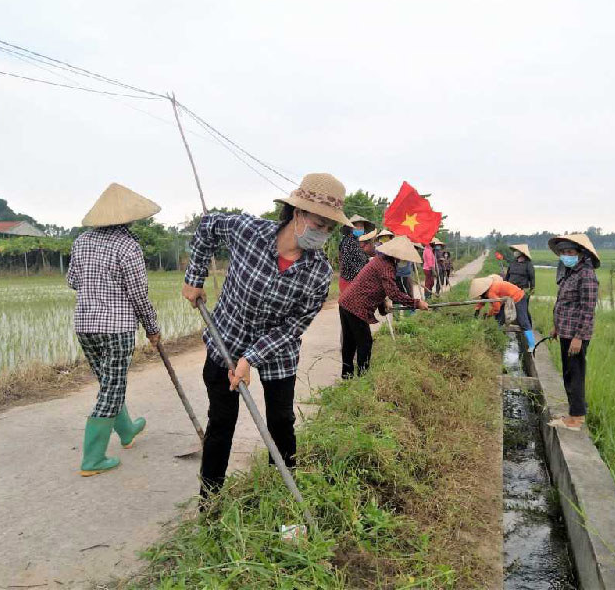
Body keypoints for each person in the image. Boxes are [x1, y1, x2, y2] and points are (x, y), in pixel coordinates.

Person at [181, 173, 351, 501]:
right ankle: (210, 505)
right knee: (221, 425)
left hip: (276, 352)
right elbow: (208, 226)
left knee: (281, 424)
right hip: (226, 337)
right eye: (319, 223)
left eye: (329, 228)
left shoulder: (319, 274)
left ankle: (281, 501)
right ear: (298, 214)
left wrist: (250, 358)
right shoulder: (250, 232)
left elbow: (293, 327)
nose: (323, 234)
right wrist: (195, 276)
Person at [67, 183, 161, 477]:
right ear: (129, 218)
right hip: (117, 329)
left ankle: (127, 430)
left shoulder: (81, 241)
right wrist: (152, 328)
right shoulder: (128, 246)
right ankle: (92, 459)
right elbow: (138, 293)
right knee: (112, 388)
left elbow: (72, 281)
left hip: (85, 326)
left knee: (108, 384)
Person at [338, 236, 429, 377]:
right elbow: (393, 293)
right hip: (355, 306)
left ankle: (347, 376)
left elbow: (375, 287)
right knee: (365, 342)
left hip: (346, 303)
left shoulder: (380, 261)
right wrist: (417, 303)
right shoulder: (387, 266)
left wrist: (382, 307)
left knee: (350, 343)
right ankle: (363, 377)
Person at [546, 234, 600, 432]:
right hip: (566, 331)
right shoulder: (570, 272)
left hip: (576, 335)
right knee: (569, 374)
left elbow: (587, 309)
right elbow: (564, 303)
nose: (565, 255)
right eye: (563, 252)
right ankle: (575, 412)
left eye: (570, 252)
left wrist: (578, 337)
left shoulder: (586, 274)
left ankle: (576, 418)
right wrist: (556, 327)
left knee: (575, 374)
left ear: (580, 253)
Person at [470, 275, 536, 351]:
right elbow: (482, 300)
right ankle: (496, 338)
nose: (480, 295)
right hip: (507, 300)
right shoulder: (488, 289)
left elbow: (496, 308)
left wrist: (488, 314)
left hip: (518, 297)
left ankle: (532, 345)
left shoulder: (491, 292)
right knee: (498, 319)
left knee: (523, 321)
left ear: (482, 291)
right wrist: (477, 309)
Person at [338, 214, 375, 293]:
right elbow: (347, 263)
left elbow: (363, 259)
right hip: (350, 281)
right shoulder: (348, 241)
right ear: (350, 228)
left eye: (361, 226)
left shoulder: (359, 242)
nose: (360, 228)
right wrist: (365, 272)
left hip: (357, 281)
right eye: (356, 226)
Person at [504, 244, 536, 324]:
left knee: (523, 309)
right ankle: (514, 323)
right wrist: (505, 285)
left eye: (517, 251)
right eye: (515, 251)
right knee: (510, 307)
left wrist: (532, 288)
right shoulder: (513, 262)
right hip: (511, 289)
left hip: (522, 290)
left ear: (522, 253)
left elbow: (532, 277)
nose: (515, 252)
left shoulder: (528, 264)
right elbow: (508, 275)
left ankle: (528, 326)